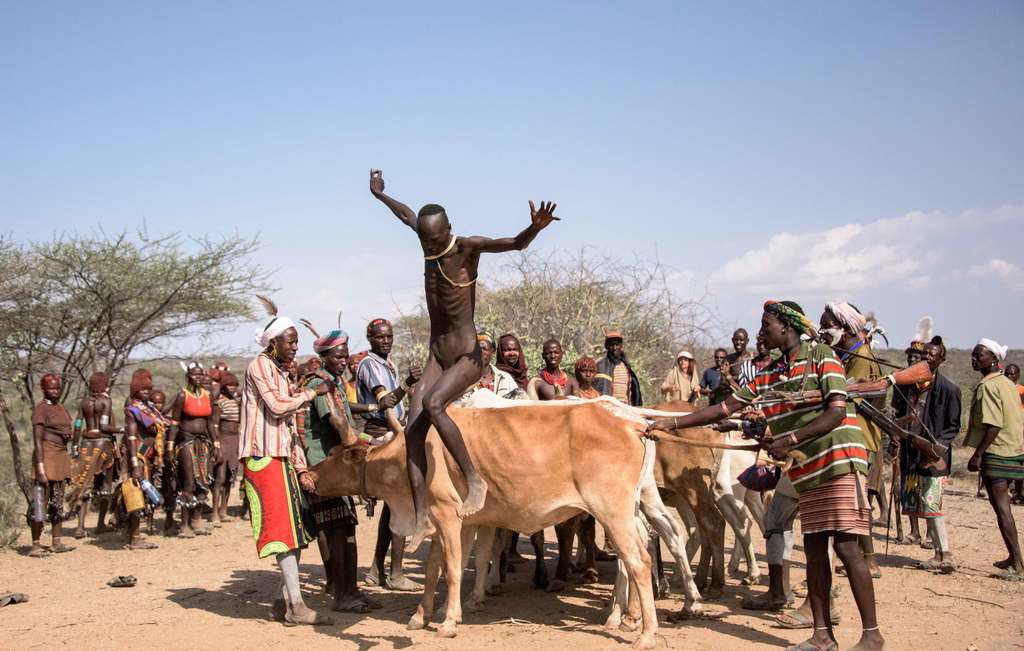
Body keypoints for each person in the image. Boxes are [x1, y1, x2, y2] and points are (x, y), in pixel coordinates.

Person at [648, 300, 884, 651]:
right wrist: (673, 423)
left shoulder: (822, 356)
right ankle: (822, 636)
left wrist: (789, 439)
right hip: (808, 471)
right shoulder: (770, 372)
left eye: (766, 324)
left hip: (839, 462)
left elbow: (836, 411)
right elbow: (724, 408)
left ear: (787, 327)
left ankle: (872, 636)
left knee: (848, 549)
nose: (761, 331)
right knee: (816, 552)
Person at [371, 170, 559, 541]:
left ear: (449, 229)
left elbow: (515, 244)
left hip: (467, 356)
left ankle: (475, 480)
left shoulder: (467, 248)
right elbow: (406, 215)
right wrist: (380, 195)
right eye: (425, 239)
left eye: (435, 237)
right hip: (438, 354)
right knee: (412, 427)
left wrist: (534, 228)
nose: (429, 245)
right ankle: (422, 515)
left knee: (436, 404)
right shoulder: (426, 239)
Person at [241, 297, 334, 626]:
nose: (295, 346)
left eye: (296, 341)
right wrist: (312, 393)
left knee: (295, 530)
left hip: (279, 457)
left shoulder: (278, 372)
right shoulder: (260, 367)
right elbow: (280, 408)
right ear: (274, 342)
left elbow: (287, 427)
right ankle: (295, 606)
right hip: (263, 456)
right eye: (290, 340)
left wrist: (300, 466)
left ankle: (285, 601)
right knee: (284, 531)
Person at [299, 322, 381, 614]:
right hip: (323, 467)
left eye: (345, 355)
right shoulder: (318, 385)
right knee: (336, 528)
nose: (343, 360)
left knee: (346, 526)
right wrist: (371, 444)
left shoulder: (333, 383)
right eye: (337, 356)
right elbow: (340, 427)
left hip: (338, 465)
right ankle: (342, 595)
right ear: (324, 358)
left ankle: (350, 589)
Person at [819, 301, 884, 578]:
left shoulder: (862, 359)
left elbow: (856, 396)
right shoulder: (847, 356)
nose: (822, 330)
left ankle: (867, 561)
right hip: (851, 436)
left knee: (857, 503)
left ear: (844, 328)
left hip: (860, 437)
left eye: (827, 326)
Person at [357, 318, 421, 591]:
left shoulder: (387, 364)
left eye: (389, 336)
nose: (386, 340)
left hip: (391, 431)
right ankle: (396, 574)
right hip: (384, 435)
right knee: (401, 502)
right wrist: (407, 383)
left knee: (391, 508)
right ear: (370, 338)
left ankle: (375, 570)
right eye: (380, 337)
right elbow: (385, 402)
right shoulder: (370, 365)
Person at [892, 336, 960, 572]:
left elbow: (952, 427)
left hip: (934, 457)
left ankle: (945, 554)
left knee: (933, 504)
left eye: (932, 355)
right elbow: (896, 417)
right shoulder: (906, 386)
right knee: (924, 504)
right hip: (911, 454)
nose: (926, 358)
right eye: (924, 355)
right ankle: (939, 554)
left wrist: (934, 450)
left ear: (941, 359)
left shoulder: (949, 390)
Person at [964, 338, 1024, 578]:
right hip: (1014, 449)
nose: (975, 359)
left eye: (980, 355)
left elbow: (993, 424)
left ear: (993, 359)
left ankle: (1017, 563)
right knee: (1003, 506)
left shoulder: (988, 386)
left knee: (1002, 507)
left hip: (997, 451)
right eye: (974, 354)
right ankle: (1014, 558)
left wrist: (977, 454)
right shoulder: (1007, 384)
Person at [166, 362, 219, 538]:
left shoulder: (208, 396)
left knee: (203, 482)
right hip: (186, 443)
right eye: (194, 375)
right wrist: (169, 448)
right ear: (188, 376)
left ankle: (196, 521)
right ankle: (184, 525)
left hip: (203, 443)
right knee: (188, 483)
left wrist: (216, 444)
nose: (197, 377)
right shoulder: (182, 396)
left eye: (200, 374)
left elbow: (210, 423)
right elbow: (174, 424)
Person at [68, 372, 120, 539]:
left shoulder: (84, 402)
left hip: (85, 444)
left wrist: (75, 446)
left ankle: (79, 527)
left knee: (84, 484)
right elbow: (104, 426)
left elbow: (77, 424)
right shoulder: (106, 401)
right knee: (105, 487)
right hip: (103, 445)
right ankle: (100, 524)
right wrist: (122, 429)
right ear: (104, 385)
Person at [29, 374, 75, 557]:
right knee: (41, 500)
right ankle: (35, 544)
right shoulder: (41, 410)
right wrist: (40, 468)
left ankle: (56, 541)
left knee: (58, 499)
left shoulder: (60, 407)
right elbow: (37, 441)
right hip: (46, 454)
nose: (55, 391)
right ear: (43, 389)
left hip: (61, 455)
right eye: (51, 388)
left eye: (58, 388)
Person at [121, 368, 165, 550]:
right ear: (135, 390)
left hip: (148, 455)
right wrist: (134, 464)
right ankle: (135, 538)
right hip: (138, 456)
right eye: (143, 389)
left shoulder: (149, 409)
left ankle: (134, 534)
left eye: (149, 389)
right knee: (136, 495)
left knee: (144, 495)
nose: (147, 392)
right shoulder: (133, 410)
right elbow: (131, 438)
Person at [454, 333, 522, 404]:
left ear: (492, 351)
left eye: (484, 349)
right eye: (477, 349)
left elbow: (518, 405)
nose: (481, 352)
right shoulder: (463, 380)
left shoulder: (506, 378)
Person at [211, 372, 242, 525]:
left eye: (235, 385)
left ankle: (224, 510)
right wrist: (216, 445)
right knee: (220, 478)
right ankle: (214, 512)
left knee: (230, 477)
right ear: (223, 387)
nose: (232, 388)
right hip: (223, 440)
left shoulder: (236, 402)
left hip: (235, 441)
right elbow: (215, 425)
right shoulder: (219, 402)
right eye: (229, 385)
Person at [594, 331, 642, 406]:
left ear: (621, 346)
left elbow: (633, 392)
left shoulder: (626, 367)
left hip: (626, 408)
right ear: (606, 346)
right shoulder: (600, 366)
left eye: (617, 345)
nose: (614, 348)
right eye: (611, 345)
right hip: (608, 408)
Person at [1005, 363, 1024, 505]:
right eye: (1007, 374)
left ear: (1018, 375)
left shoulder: (1021, 391)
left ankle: (1019, 493)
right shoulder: (1001, 390)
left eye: (1012, 374)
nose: (1009, 377)